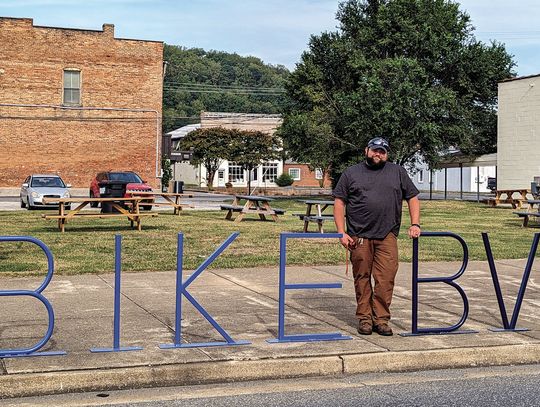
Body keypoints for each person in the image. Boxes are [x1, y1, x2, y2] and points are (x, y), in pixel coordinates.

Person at [333, 137, 420, 336]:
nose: (378, 154)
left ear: (387, 154)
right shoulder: (351, 173)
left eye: (382, 151)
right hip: (359, 235)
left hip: (387, 234)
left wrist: (415, 224)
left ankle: (381, 319)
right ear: (367, 151)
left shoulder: (397, 172)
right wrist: (341, 232)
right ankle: (365, 318)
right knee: (362, 277)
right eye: (374, 150)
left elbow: (412, 197)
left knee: (386, 278)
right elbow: (339, 202)